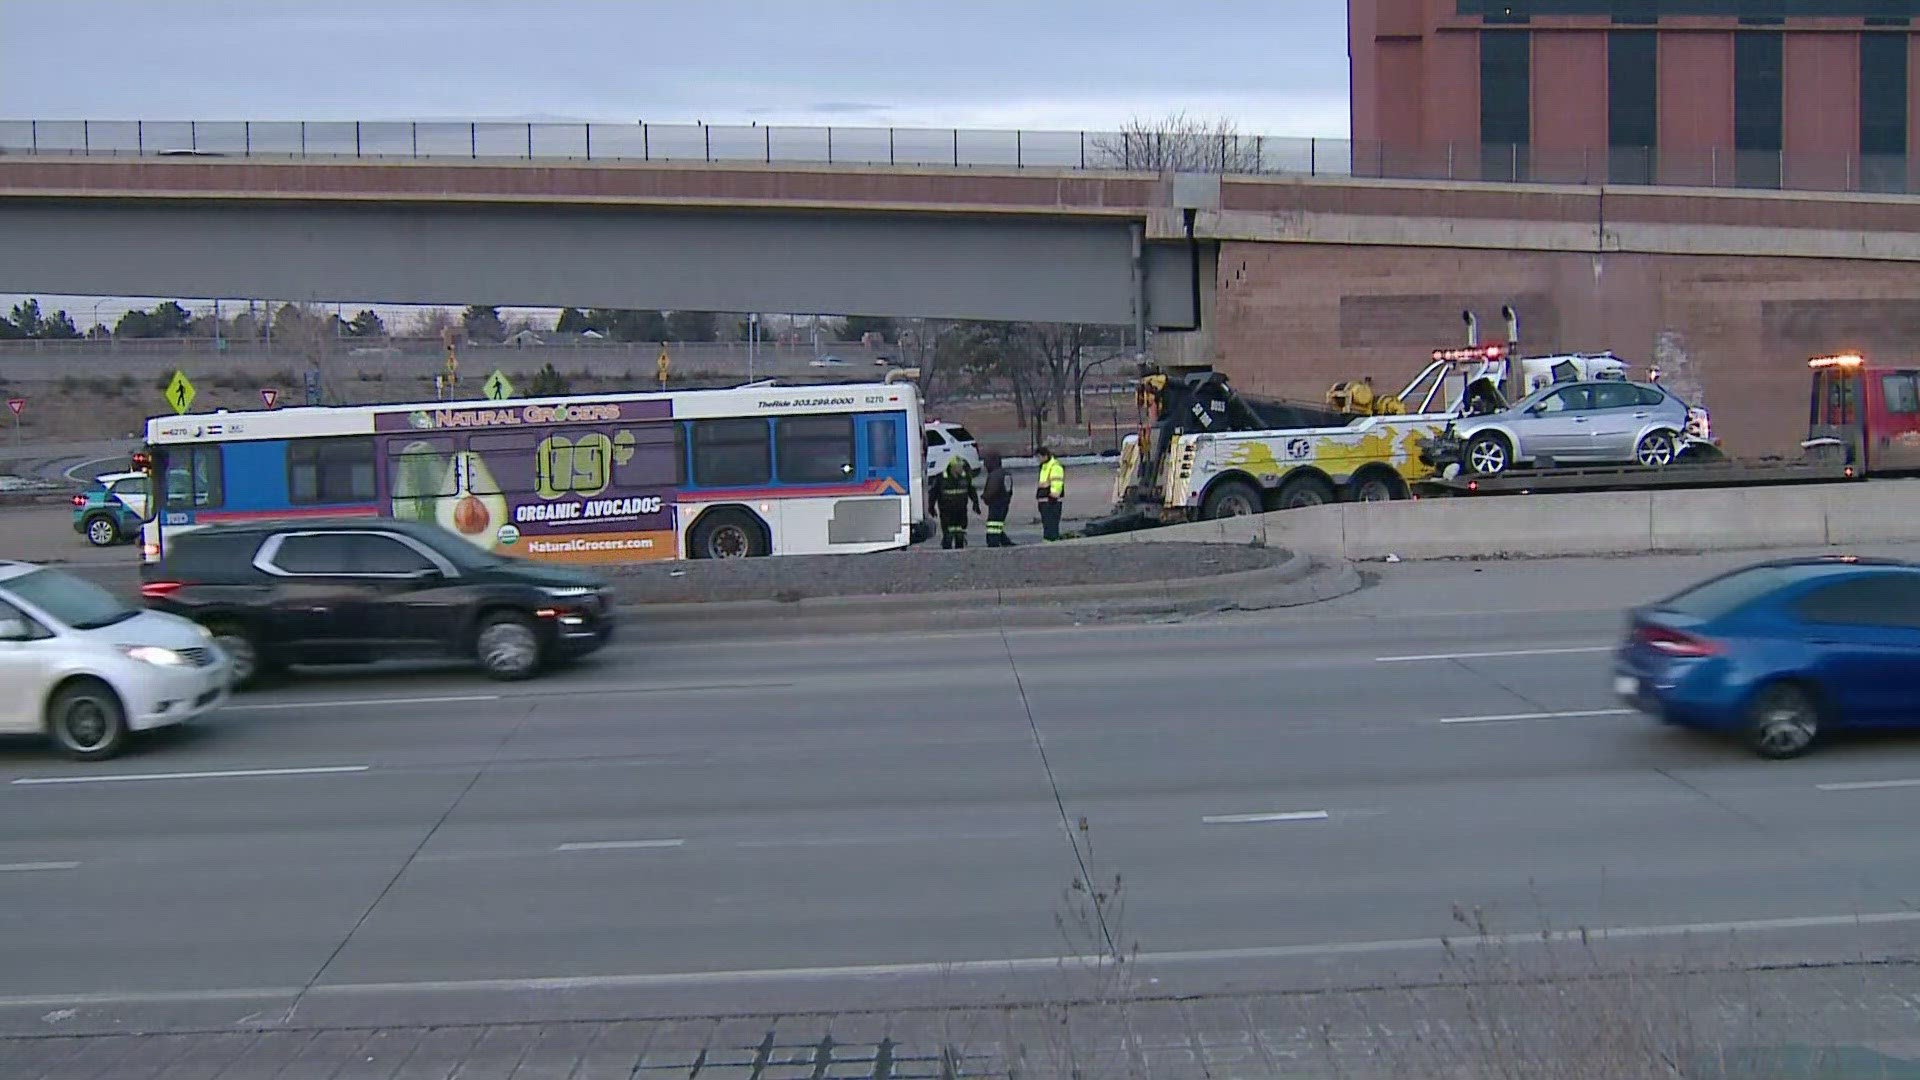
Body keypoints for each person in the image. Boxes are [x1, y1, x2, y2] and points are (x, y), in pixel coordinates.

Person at [929, 455, 982, 549]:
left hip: (961, 510)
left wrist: (975, 503)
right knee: (948, 534)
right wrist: (931, 507)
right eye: (959, 466)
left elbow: (971, 490)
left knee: (960, 533)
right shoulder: (941, 478)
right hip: (946, 511)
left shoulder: (965, 477)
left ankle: (959, 548)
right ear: (953, 467)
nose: (961, 468)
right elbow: (933, 493)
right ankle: (947, 547)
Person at [981, 451, 1013, 547]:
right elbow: (1009, 490)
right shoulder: (1006, 474)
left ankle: (993, 542)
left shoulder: (995, 475)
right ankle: (1004, 540)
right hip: (1004, 503)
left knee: (993, 525)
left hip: (996, 504)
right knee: (998, 524)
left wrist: (985, 497)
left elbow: (992, 490)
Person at [1035, 446, 1066, 542]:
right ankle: (1048, 542)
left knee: (1051, 525)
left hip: (1052, 502)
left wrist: (1053, 497)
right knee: (1047, 525)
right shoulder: (1044, 466)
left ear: (1045, 456)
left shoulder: (1055, 466)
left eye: (1039, 457)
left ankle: (1051, 544)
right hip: (1045, 502)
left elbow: (1056, 483)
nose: (1038, 460)